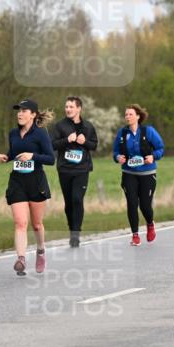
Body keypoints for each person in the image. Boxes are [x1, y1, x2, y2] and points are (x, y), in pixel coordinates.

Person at [0, 100, 55, 276]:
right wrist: (6, 157)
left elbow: (50, 159)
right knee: (20, 222)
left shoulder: (41, 134)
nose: (20, 114)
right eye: (19, 111)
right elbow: (14, 153)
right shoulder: (13, 133)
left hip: (36, 181)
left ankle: (40, 251)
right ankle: (21, 258)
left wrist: (33, 156)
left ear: (33, 115)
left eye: (24, 111)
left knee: (37, 225)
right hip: (17, 181)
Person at [113, 104, 165, 246]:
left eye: (130, 114)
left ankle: (150, 224)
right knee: (132, 203)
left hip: (147, 173)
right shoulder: (122, 133)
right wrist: (118, 158)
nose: (127, 117)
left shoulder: (148, 131)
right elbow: (115, 151)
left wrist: (153, 156)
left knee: (145, 206)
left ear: (138, 116)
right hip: (129, 173)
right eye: (126, 115)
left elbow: (161, 148)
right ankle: (135, 235)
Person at [51, 96, 99, 247]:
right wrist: (67, 140)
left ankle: (75, 234)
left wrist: (85, 142)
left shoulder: (88, 126)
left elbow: (94, 145)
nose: (68, 109)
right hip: (65, 169)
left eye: (71, 107)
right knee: (69, 203)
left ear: (79, 108)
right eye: (66, 107)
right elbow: (52, 145)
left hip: (82, 169)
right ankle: (72, 228)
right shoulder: (60, 126)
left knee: (77, 199)